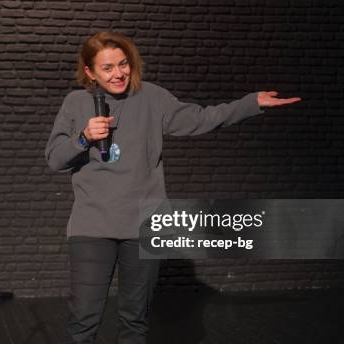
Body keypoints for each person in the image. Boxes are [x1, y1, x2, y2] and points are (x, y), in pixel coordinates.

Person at [45, 31, 300, 344]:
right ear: (90, 72)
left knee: (134, 320)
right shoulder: (76, 103)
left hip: (144, 224)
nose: (119, 73)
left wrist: (250, 104)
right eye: (108, 68)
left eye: (123, 64)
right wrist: (83, 138)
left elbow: (202, 118)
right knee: (84, 320)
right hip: (92, 226)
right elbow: (55, 159)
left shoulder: (151, 97)